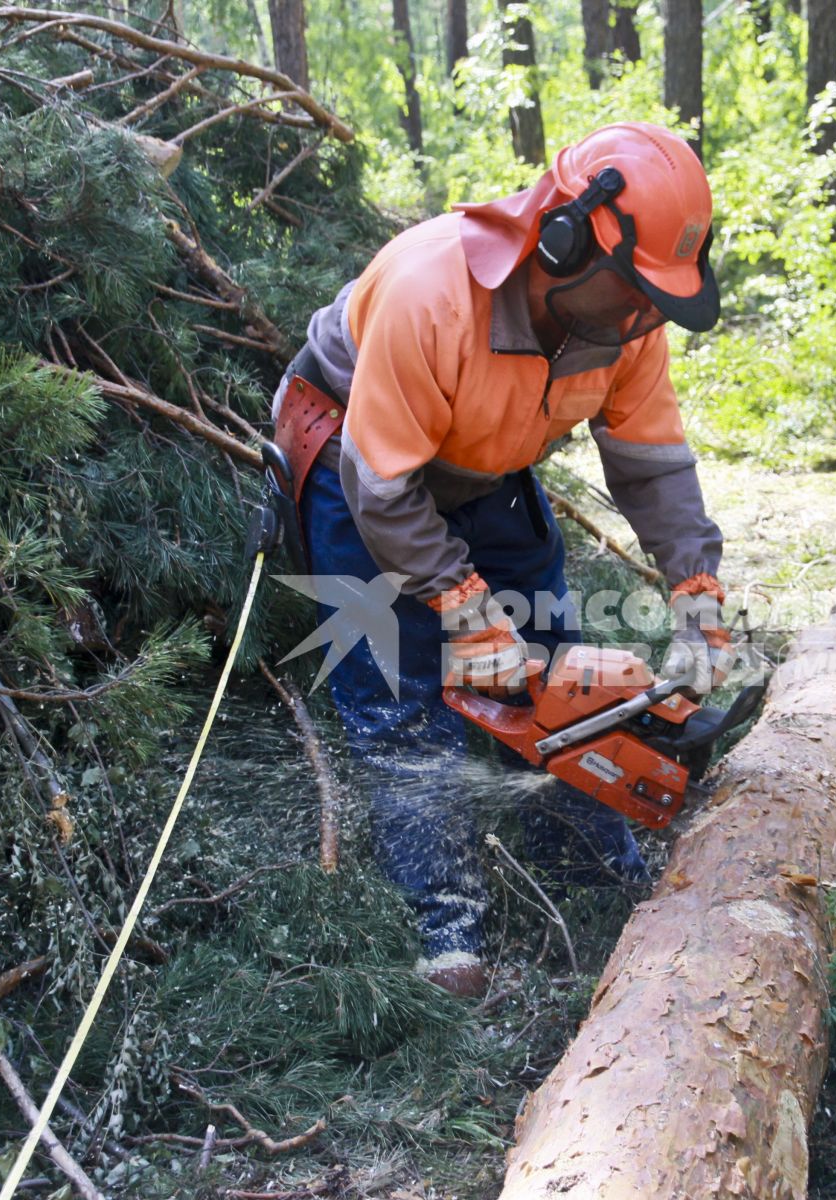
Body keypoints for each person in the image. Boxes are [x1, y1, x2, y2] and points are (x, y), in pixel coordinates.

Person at [271, 121, 735, 999]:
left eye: (654, 297)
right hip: (358, 461)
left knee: (558, 667)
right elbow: (383, 490)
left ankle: (589, 866)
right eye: (628, 291)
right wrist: (461, 603)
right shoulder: (430, 294)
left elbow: (652, 459)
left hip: (488, 465)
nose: (640, 316)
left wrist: (694, 584)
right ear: (561, 243)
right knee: (402, 697)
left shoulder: (630, 322)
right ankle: (446, 922)